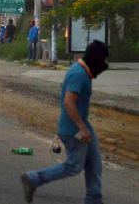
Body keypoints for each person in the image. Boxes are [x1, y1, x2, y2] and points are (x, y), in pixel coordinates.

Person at [21, 40, 109, 204]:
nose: (105, 64)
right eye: (104, 59)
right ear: (96, 59)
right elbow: (69, 102)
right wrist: (82, 128)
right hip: (73, 129)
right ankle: (34, 179)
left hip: (81, 125)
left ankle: (94, 198)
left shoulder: (83, 71)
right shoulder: (79, 75)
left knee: (94, 163)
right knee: (73, 167)